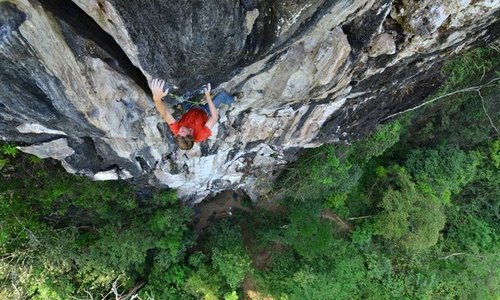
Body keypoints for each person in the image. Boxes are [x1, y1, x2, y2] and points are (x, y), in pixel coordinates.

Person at [150, 78, 235, 150]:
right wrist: (208, 97)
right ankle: (233, 99)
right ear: (190, 134)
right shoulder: (202, 134)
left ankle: (195, 99)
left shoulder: (177, 131)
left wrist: (157, 99)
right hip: (205, 110)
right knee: (222, 96)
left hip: (190, 108)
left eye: (178, 133)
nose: (179, 129)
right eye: (182, 131)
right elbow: (214, 117)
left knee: (184, 94)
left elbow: (164, 113)